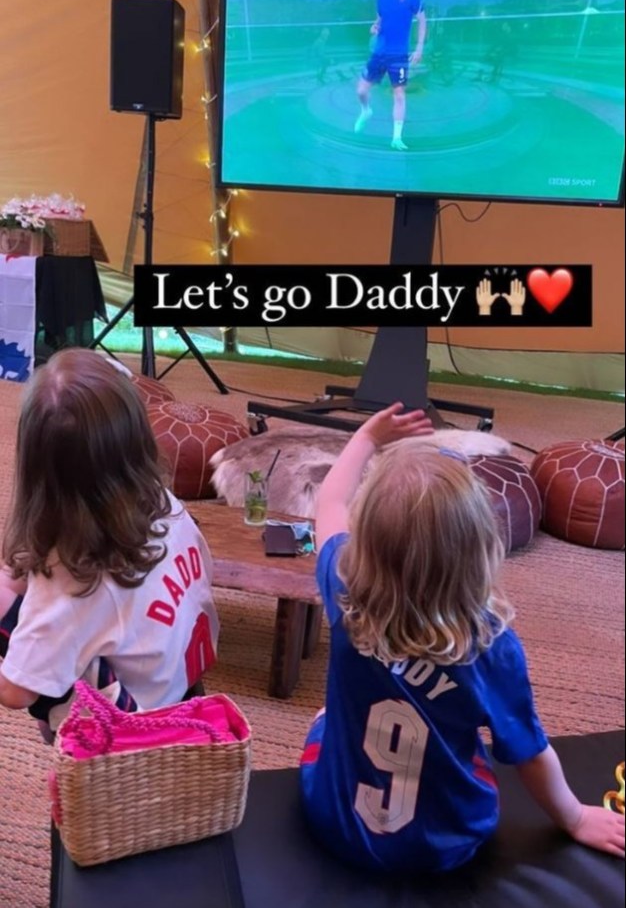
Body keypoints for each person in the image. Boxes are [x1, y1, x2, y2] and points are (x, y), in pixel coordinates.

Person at [300, 403, 625, 873]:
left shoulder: (343, 584)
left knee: (328, 716)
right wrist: (574, 818)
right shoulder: (491, 647)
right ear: (480, 549)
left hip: (333, 823)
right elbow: (529, 753)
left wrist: (368, 437)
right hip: (445, 844)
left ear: (365, 539)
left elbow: (330, 502)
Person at [0, 348, 219, 735]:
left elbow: (17, 693)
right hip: (174, 684)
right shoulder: (163, 503)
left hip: (126, 731)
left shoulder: (72, 587)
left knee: (24, 633)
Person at [354, 0, 427, 150]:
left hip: (399, 55)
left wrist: (419, 47)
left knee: (399, 94)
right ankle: (366, 111)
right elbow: (379, 20)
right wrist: (375, 26)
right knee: (361, 90)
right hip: (379, 52)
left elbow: (422, 20)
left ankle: (396, 138)